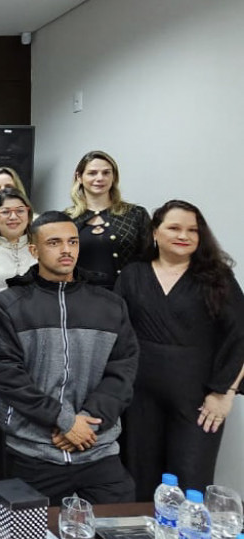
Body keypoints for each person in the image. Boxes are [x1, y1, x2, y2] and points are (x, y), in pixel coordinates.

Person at [0, 211, 138, 505]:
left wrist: (87, 424)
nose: (66, 250)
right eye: (54, 243)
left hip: (97, 448)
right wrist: (64, 421)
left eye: (72, 242)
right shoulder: (8, 305)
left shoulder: (111, 306)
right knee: (32, 527)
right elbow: (8, 376)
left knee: (118, 523)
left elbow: (122, 373)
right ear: (34, 250)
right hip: (33, 451)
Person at [114, 200, 244, 497]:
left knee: (190, 481)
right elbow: (115, 333)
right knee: (138, 478)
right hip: (137, 398)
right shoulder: (133, 274)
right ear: (155, 232)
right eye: (174, 228)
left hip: (198, 401)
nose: (183, 235)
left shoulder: (218, 278)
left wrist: (224, 394)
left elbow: (240, 336)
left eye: (192, 230)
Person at [65, 151, 150, 288]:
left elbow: (149, 259)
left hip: (128, 294)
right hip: (80, 295)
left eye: (106, 173)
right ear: (79, 177)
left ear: (114, 177)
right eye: (92, 173)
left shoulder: (136, 214)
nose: (100, 178)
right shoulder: (66, 219)